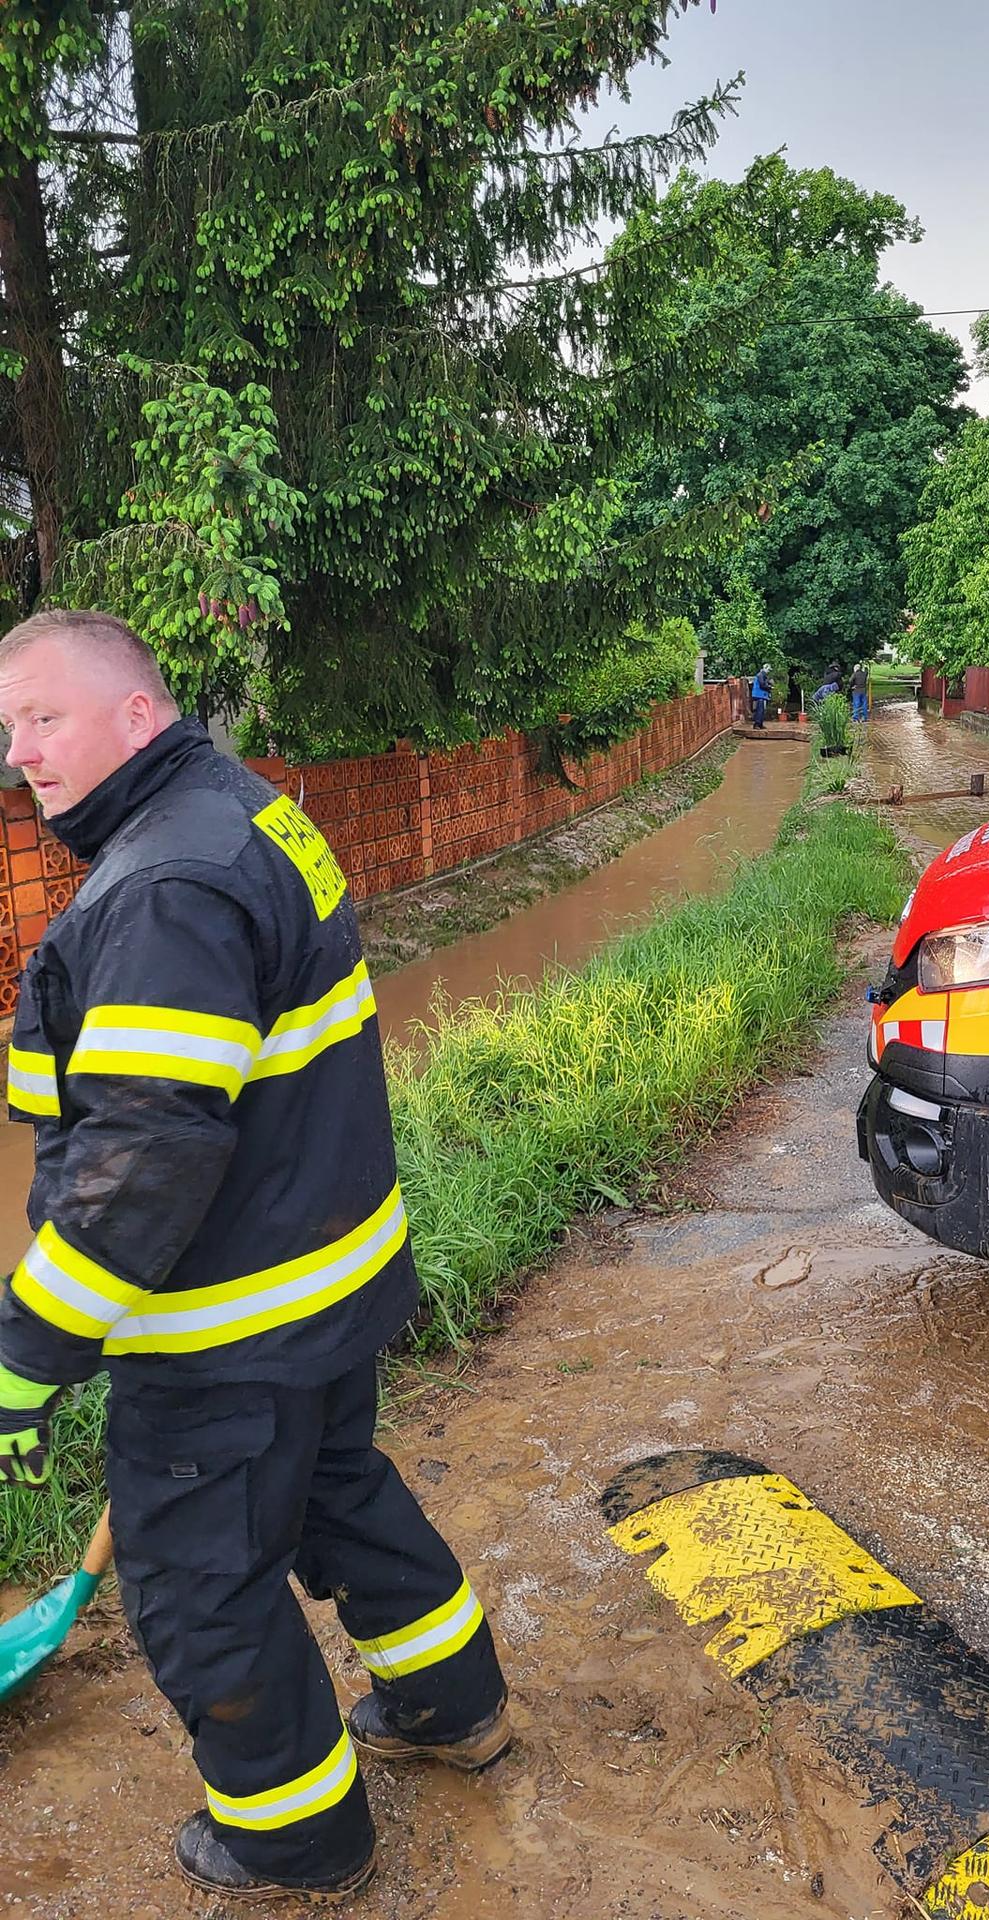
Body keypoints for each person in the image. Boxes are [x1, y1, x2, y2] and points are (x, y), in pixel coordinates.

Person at [0, 610, 509, 1903]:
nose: (24, 756)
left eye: (43, 719)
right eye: (10, 731)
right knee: (340, 1494)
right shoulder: (248, 813)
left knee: (200, 1586)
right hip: (328, 1287)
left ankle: (296, 1842)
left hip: (224, 1334)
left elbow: (141, 1170)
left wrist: (28, 1356)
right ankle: (456, 1707)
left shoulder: (160, 891)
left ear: (133, 713)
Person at [750, 661, 773, 728]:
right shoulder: (760, 675)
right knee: (760, 710)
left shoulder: (763, 675)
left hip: (762, 695)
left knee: (762, 710)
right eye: (768, 670)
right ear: (765, 668)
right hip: (759, 695)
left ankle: (760, 724)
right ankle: (757, 724)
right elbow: (762, 685)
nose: (768, 671)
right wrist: (769, 687)